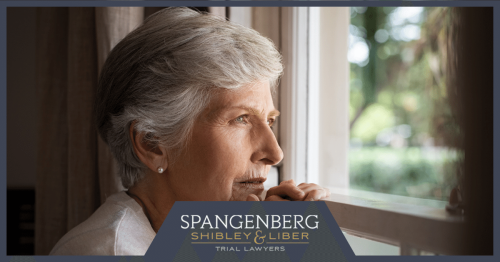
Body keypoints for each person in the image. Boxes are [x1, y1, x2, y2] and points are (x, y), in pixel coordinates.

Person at [49, 7, 330, 255]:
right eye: (241, 119)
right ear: (152, 144)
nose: (275, 153)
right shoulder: (110, 252)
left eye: (269, 121)